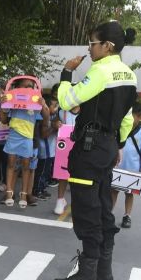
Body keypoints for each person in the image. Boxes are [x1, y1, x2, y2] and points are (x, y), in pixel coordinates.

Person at [52, 21, 138, 280]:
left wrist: (67, 72)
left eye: (92, 43)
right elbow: (126, 117)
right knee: (102, 204)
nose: (89, 49)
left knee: (86, 209)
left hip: (89, 149)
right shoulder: (129, 74)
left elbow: (67, 101)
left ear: (107, 46)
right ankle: (104, 268)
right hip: (109, 144)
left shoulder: (100, 72)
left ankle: (86, 278)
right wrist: (119, 144)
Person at [0, 78, 51, 209]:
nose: (28, 89)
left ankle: (23, 195)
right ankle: (9, 193)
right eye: (25, 86)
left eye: (31, 87)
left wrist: (44, 105)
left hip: (27, 138)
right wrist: (2, 105)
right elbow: (3, 119)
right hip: (13, 136)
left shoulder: (34, 103)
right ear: (18, 88)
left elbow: (46, 117)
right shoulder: (13, 100)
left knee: (26, 166)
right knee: (11, 164)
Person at [112, 101, 141, 229]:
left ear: (140, 117)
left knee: (129, 193)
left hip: (133, 168)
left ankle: (127, 215)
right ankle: (109, 214)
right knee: (113, 191)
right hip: (118, 166)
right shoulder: (119, 128)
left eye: (131, 116)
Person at [52, 84, 79, 215]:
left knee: (79, 176)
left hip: (81, 146)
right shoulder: (62, 110)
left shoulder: (87, 110)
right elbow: (55, 121)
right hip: (65, 146)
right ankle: (60, 200)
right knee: (63, 174)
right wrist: (56, 124)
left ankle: (79, 203)